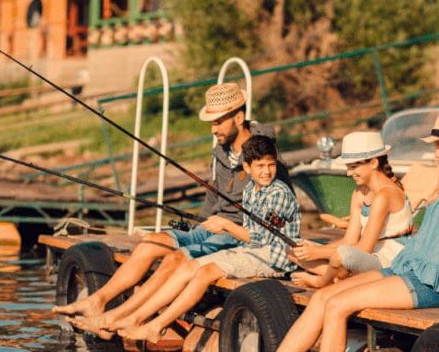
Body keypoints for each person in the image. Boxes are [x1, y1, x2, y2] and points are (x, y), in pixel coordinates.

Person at [222, 111, 439, 352]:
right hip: (415, 267)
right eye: (436, 146)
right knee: (323, 297)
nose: (437, 153)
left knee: (338, 305)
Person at [52, 82, 289, 328]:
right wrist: (197, 228)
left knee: (175, 259)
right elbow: (213, 196)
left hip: (236, 235)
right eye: (211, 122)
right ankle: (98, 301)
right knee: (151, 242)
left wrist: (236, 227)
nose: (213, 129)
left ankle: (117, 318)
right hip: (210, 227)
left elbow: (280, 206)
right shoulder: (222, 151)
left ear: (238, 118)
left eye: (218, 122)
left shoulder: (265, 156)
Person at [76, 134, 300, 341]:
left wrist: (226, 226)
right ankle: (136, 318)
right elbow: (251, 235)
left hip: (274, 256)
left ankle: (156, 326)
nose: (267, 171)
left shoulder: (279, 193)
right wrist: (222, 228)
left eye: (271, 165)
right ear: (247, 167)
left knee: (205, 273)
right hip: (251, 250)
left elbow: (263, 238)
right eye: (260, 166)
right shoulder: (251, 189)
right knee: (188, 266)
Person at [289, 131, 412, 289]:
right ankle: (340, 277)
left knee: (342, 256)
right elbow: (350, 240)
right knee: (293, 250)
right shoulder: (360, 193)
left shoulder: (385, 194)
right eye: (348, 167)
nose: (348, 173)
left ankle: (322, 281)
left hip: (389, 261)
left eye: (353, 167)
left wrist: (318, 252)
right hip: (366, 257)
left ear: (373, 163)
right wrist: (314, 249)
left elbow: (364, 248)